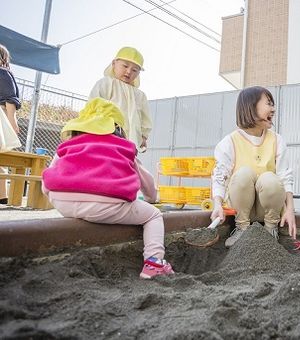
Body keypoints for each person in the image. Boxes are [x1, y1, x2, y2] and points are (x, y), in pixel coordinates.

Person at [42, 98, 173, 279]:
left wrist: (54, 195)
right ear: (118, 128)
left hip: (62, 202)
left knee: (79, 203)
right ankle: (154, 263)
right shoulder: (123, 146)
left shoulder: (68, 145)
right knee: (153, 215)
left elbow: (49, 174)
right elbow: (146, 182)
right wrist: (151, 198)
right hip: (106, 205)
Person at [211, 86, 297, 248]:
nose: (273, 109)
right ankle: (242, 229)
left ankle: (271, 230)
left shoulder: (277, 140)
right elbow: (219, 177)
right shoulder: (229, 142)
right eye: (269, 104)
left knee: (269, 178)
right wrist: (217, 205)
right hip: (241, 210)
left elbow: (285, 175)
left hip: (269, 211)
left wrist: (290, 209)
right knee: (243, 174)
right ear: (251, 107)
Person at [89, 47, 151, 153]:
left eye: (134, 70)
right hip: (106, 137)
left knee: (126, 165)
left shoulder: (140, 95)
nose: (128, 71)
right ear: (114, 64)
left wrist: (144, 137)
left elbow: (145, 119)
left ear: (138, 73)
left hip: (132, 141)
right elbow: (93, 106)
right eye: (125, 66)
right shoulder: (106, 83)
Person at [0, 44, 22, 205]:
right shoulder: (4, 73)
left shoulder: (3, 73)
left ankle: (2, 194)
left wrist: (12, 124)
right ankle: (2, 194)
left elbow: (9, 101)